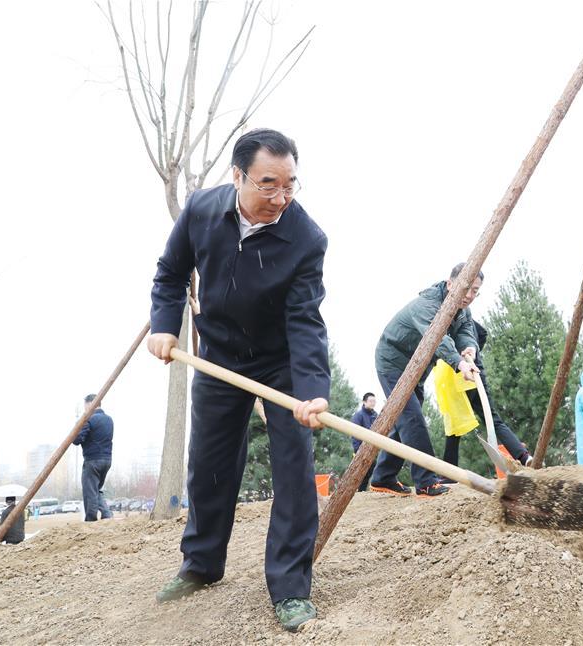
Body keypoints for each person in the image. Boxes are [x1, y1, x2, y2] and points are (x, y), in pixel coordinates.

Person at [147, 128, 330, 632]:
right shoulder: (203, 211)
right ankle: (201, 564)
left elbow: (306, 319)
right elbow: (170, 273)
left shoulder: (306, 238)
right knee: (208, 463)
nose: (281, 197)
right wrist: (164, 326)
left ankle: (291, 587)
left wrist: (311, 387)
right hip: (221, 355)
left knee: (294, 468)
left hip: (281, 361)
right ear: (237, 176)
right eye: (268, 184)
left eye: (290, 185)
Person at [371, 263, 482, 498]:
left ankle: (383, 477)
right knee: (412, 418)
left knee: (404, 422)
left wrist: (469, 350)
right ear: (451, 283)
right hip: (393, 362)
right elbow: (437, 337)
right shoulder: (427, 305)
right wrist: (458, 363)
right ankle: (425, 481)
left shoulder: (462, 308)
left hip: (418, 367)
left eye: (476, 291)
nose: (470, 296)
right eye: (468, 289)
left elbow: (464, 330)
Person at [441, 318, 533, 476]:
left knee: (454, 424)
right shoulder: (466, 321)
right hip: (475, 370)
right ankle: (523, 456)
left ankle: (448, 474)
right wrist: (476, 353)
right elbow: (482, 334)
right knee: (492, 417)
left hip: (457, 375)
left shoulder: (452, 321)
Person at [72, 394, 114, 521]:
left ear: (91, 404)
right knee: (96, 489)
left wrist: (78, 426)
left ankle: (91, 519)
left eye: (85, 406)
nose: (85, 409)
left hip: (92, 460)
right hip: (107, 460)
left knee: (89, 491)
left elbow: (77, 439)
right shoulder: (109, 419)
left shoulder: (89, 419)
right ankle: (106, 514)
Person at [350, 393, 378, 491]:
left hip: (373, 451)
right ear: (364, 402)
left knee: (369, 473)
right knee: (359, 475)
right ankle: (356, 492)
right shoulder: (358, 416)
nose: (373, 403)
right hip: (360, 451)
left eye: (374, 401)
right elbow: (355, 435)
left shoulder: (376, 415)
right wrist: (358, 451)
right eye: (370, 401)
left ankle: (362, 492)